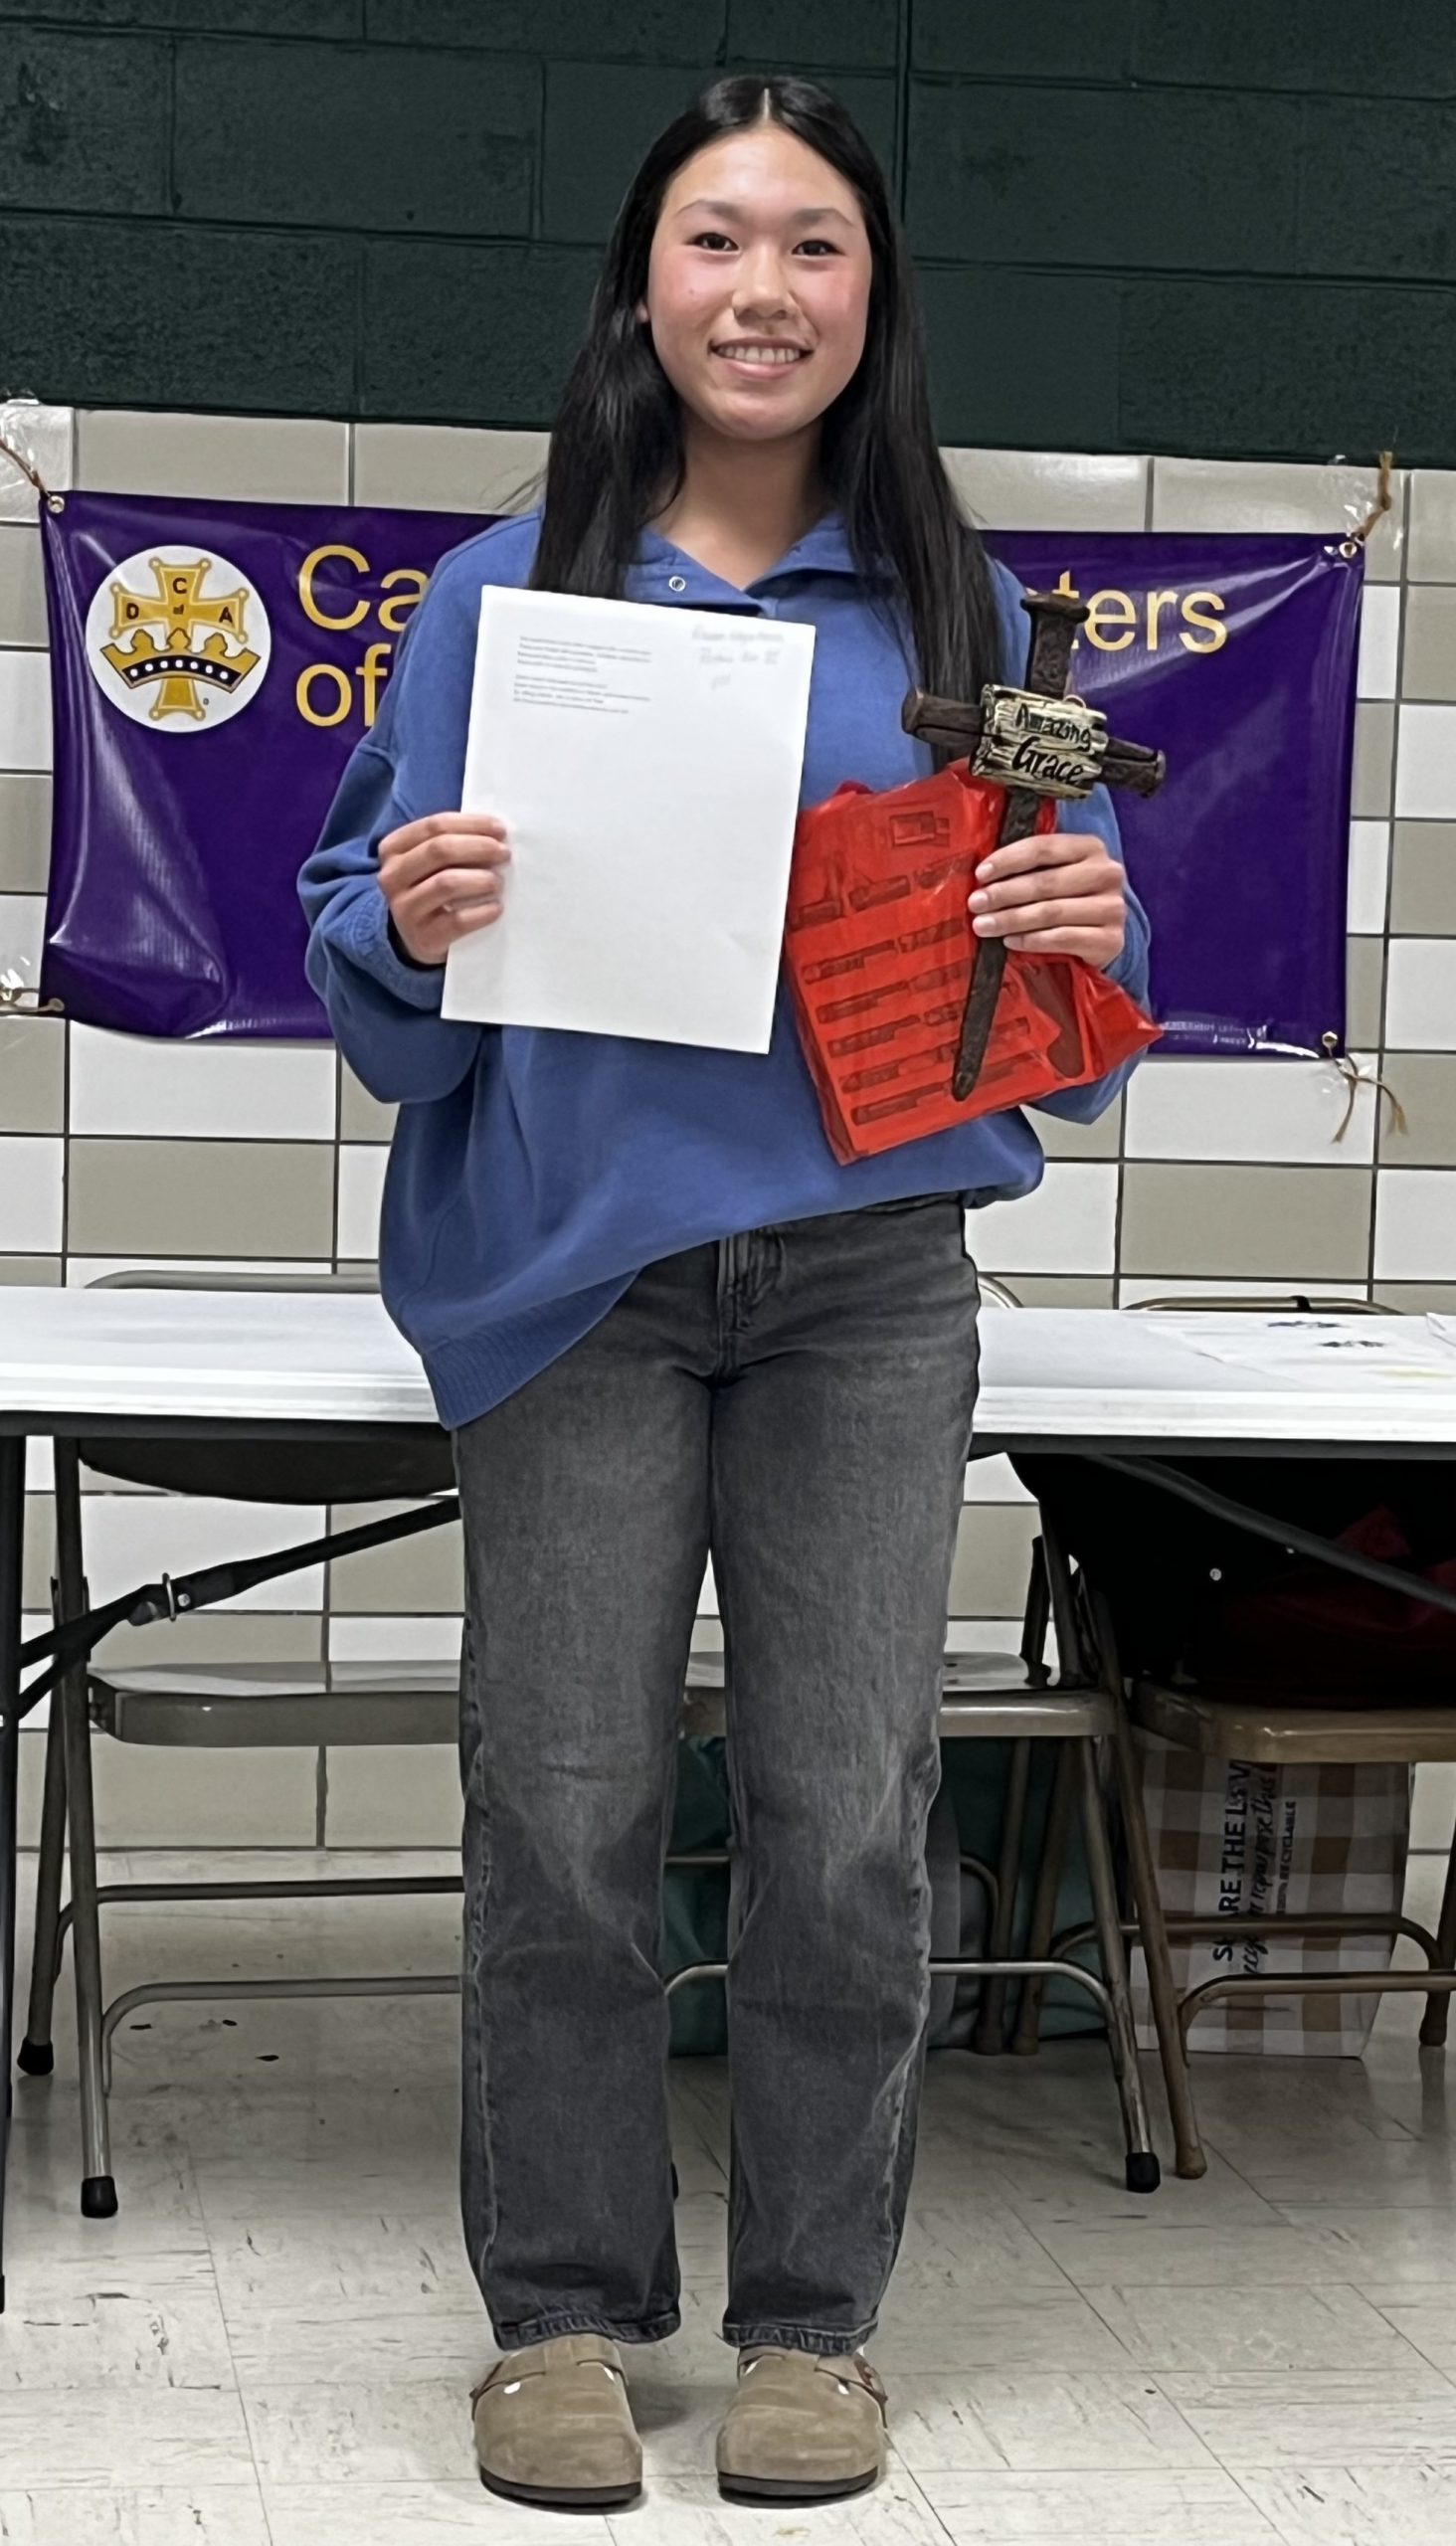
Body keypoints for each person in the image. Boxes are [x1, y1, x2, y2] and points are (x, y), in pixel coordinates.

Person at [300, 71, 1149, 2516]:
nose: (761, 289)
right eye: (714, 238)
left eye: (813, 245)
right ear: (640, 285)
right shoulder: (508, 601)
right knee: (564, 1808)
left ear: (875, 298)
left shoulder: (965, 616)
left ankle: (815, 2327)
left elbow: (1077, 1024)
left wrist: (1095, 928)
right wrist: (413, 917)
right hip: (575, 1276)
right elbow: (369, 985)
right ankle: (560, 2316)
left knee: (847, 1813)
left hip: (870, 1283)